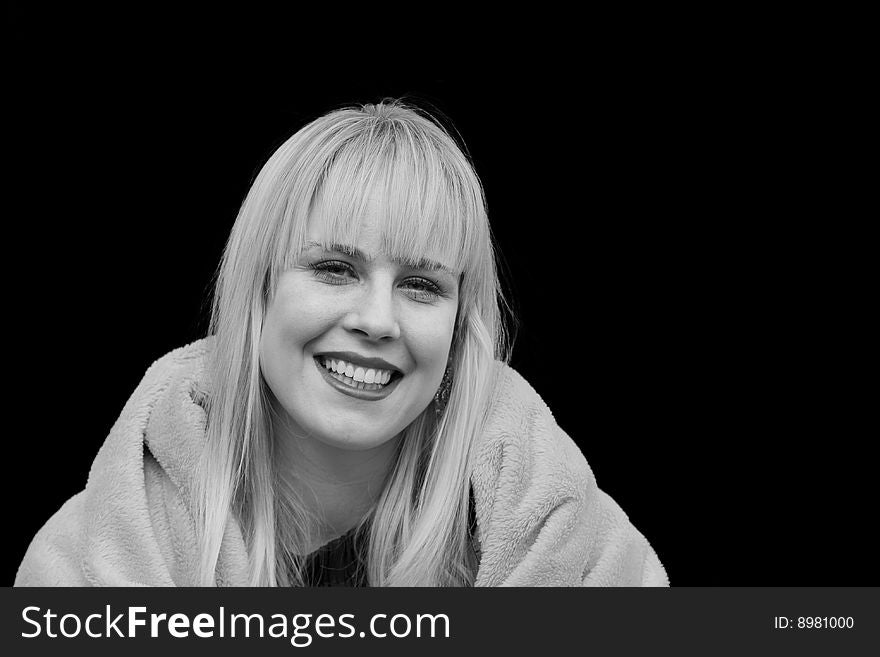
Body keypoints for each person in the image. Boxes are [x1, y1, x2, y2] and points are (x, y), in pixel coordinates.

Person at [15, 100, 668, 587]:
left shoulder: (549, 514)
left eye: (420, 284)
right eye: (335, 268)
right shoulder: (93, 556)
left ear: (459, 326)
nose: (378, 320)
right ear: (260, 290)